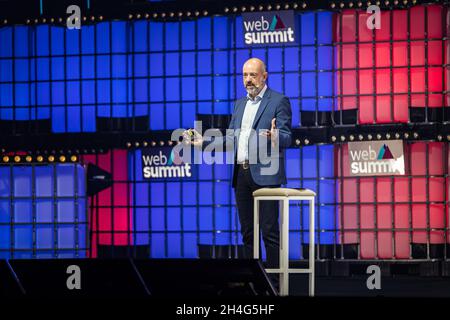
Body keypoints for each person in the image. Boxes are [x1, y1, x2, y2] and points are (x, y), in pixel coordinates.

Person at [184, 58, 292, 289]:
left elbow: (287, 137)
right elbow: (232, 139)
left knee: (270, 231)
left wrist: (276, 137)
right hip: (241, 175)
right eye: (245, 75)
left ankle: (273, 284)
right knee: (248, 233)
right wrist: (204, 143)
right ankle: (254, 280)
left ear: (265, 76)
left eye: (253, 75)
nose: (248, 80)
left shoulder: (278, 101)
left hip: (266, 175)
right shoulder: (239, 104)